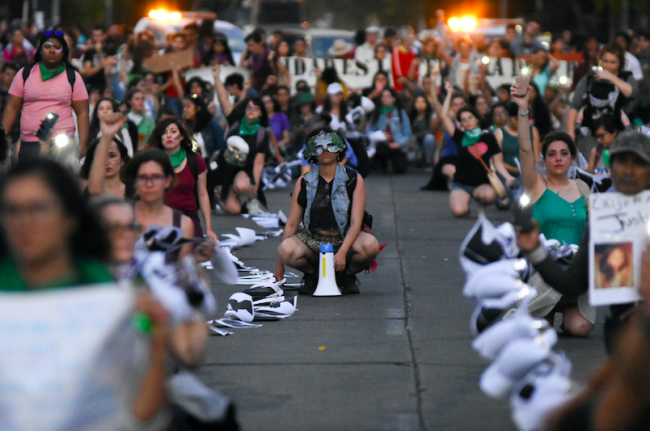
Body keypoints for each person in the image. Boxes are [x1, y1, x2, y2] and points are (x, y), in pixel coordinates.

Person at [0, 158, 170, 426]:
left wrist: (157, 343)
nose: (24, 222)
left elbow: (140, 411)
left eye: (38, 208)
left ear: (69, 217)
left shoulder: (101, 291)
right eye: (11, 210)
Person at [517, 131, 650, 345]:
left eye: (639, 162)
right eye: (621, 162)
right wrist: (535, 251)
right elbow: (574, 283)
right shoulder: (606, 216)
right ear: (610, 169)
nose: (629, 170)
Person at [511, 77, 593, 336]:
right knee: (539, 331)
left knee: (579, 328)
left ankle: (566, 310)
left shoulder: (583, 188)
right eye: (552, 154)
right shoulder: (536, 185)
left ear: (572, 159)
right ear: (544, 160)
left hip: (577, 273)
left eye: (564, 153)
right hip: (543, 273)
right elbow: (525, 149)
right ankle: (538, 310)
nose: (558, 158)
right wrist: (523, 106)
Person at [276, 130, 380, 294]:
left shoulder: (354, 179)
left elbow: (356, 222)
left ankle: (347, 275)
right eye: (318, 146)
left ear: (339, 150)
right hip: (313, 239)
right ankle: (313, 275)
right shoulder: (303, 181)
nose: (325, 150)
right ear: (311, 152)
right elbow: (292, 222)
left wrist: (343, 252)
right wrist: (279, 264)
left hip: (345, 238)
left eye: (330, 145)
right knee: (286, 250)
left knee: (370, 245)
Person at [2, 31, 89, 159]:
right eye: (47, 46)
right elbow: (12, 107)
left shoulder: (73, 77)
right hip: (30, 142)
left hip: (63, 144)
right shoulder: (24, 74)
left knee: (59, 179)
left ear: (63, 51)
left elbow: (82, 113)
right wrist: (2, 137)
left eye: (57, 47)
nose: (52, 50)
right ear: (40, 50)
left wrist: (82, 144)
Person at [433, 81, 514, 216]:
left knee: (489, 196)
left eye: (470, 118)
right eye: (463, 120)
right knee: (459, 212)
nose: (467, 122)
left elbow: (497, 161)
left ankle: (479, 200)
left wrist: (508, 177)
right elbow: (443, 116)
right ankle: (464, 201)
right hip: (461, 184)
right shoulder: (459, 136)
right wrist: (448, 94)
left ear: (477, 120)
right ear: (461, 124)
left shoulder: (488, 137)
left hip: (481, 184)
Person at [144, 119, 218, 241]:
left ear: (182, 136)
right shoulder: (153, 161)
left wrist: (209, 229)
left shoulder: (195, 159)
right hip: (160, 217)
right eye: (164, 132)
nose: (168, 135)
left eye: (173, 132)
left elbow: (203, 194)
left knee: (192, 254)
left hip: (188, 217)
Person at [122, 149, 196, 258]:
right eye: (143, 177)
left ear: (167, 181)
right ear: (135, 181)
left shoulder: (183, 224)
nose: (149, 184)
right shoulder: (120, 217)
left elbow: (182, 269)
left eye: (156, 177)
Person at [567, 42, 638, 142]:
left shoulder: (626, 77)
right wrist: (570, 131)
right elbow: (574, 105)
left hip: (617, 133)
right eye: (605, 61)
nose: (608, 65)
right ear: (600, 60)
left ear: (620, 63)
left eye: (613, 62)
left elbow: (632, 93)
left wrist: (612, 78)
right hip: (591, 132)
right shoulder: (590, 78)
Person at [213, 98, 269, 215]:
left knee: (242, 185)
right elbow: (224, 102)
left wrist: (253, 192)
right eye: (249, 108)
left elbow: (259, 163)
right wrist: (217, 79)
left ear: (261, 113)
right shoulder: (235, 122)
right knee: (235, 209)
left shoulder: (262, 133)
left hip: (244, 169)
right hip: (225, 168)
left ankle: (246, 198)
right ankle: (217, 192)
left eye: (256, 109)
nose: (251, 111)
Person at [81, 112, 133, 199]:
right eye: (101, 157)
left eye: (112, 156)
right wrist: (106, 136)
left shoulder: (134, 192)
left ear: (122, 160)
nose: (107, 162)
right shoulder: (87, 191)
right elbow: (94, 192)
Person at [366, 87, 412, 174]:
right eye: (383, 96)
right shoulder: (377, 113)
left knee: (400, 169)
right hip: (382, 145)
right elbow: (369, 131)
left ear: (394, 99)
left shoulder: (401, 113)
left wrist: (399, 143)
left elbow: (408, 133)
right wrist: (380, 134)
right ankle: (382, 163)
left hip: (397, 144)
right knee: (380, 154)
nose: (384, 98)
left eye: (387, 96)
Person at [494, 101, 542, 177]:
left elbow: (537, 158)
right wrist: (517, 170)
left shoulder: (533, 131)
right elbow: (498, 161)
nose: (520, 122)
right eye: (516, 119)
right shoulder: (499, 133)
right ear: (509, 117)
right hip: (507, 175)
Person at [182, 93, 224, 159]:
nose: (184, 110)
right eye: (184, 106)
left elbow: (221, 147)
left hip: (211, 163)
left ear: (198, 108)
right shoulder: (184, 127)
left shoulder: (211, 124)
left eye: (188, 107)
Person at [80, 25, 110, 95]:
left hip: (105, 87)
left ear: (104, 36)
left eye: (99, 35)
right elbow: (88, 71)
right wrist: (101, 66)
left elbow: (108, 67)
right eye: (94, 35)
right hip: (92, 86)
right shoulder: (89, 52)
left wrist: (100, 53)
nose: (96, 38)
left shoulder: (109, 50)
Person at [408, 93, 436, 167]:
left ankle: (428, 161)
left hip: (428, 142)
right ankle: (418, 159)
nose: (420, 104)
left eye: (423, 102)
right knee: (410, 157)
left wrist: (416, 136)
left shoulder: (431, 115)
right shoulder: (411, 116)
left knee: (429, 138)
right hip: (415, 142)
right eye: (417, 102)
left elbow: (432, 131)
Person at [391, 26, 418, 93]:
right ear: (405, 37)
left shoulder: (412, 52)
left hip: (411, 84)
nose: (414, 37)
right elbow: (398, 72)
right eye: (411, 34)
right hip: (400, 87)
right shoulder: (397, 50)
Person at [262, 93, 290, 159]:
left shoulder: (281, 117)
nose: (267, 105)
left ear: (273, 103)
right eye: (264, 103)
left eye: (269, 102)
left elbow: (287, 138)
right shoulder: (259, 119)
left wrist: (276, 146)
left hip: (279, 149)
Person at [0, 62, 20, 145]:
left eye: (13, 75)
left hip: (15, 138)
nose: (10, 77)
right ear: (2, 75)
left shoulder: (19, 97)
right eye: (8, 74)